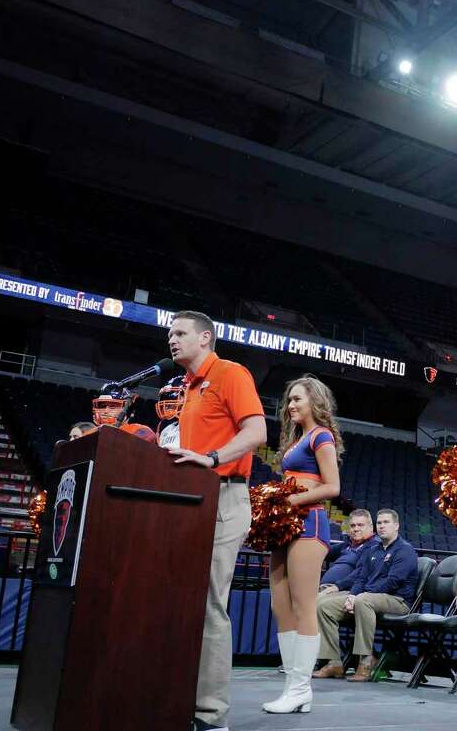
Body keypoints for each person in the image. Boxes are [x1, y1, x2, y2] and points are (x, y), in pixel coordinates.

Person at [166, 310, 268, 731]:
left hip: (225, 496)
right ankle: (176, 697)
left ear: (205, 337)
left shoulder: (230, 372)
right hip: (191, 498)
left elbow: (257, 432)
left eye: (179, 333)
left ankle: (211, 715)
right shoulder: (187, 388)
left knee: (208, 602)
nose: (171, 339)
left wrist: (210, 459)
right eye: (169, 333)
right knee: (182, 600)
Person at [262, 375, 343, 714]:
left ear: (316, 401)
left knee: (303, 606)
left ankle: (300, 688)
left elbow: (332, 487)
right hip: (287, 525)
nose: (291, 405)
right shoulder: (297, 439)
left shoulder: (320, 435)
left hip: (309, 524)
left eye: (298, 399)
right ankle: (292, 688)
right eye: (289, 400)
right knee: (281, 607)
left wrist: (290, 502)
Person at [315, 508, 419, 682]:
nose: (382, 526)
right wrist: (351, 596)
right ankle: (333, 662)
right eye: (379, 523)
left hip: (397, 600)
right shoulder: (373, 550)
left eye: (386, 522)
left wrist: (359, 595)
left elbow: (392, 582)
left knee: (363, 600)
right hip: (369, 597)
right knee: (324, 606)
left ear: (396, 526)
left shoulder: (405, 550)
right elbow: (361, 577)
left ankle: (365, 662)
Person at [320, 509, 378, 595]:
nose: (356, 529)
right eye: (352, 526)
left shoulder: (374, 546)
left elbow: (360, 574)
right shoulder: (347, 544)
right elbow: (324, 552)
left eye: (360, 525)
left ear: (371, 527)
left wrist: (338, 586)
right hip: (325, 587)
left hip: (343, 590)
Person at [90, 384, 157, 443]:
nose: (106, 411)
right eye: (103, 406)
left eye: (113, 406)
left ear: (128, 410)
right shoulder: (90, 433)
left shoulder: (138, 430)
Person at [155, 375, 185, 449]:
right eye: (166, 397)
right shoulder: (166, 428)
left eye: (174, 397)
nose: (169, 402)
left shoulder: (195, 425)